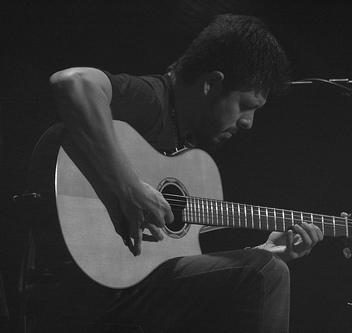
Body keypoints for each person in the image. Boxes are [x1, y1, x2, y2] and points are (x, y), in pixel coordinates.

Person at [44, 14, 324, 333]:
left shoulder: (189, 148)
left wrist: (263, 252)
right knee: (268, 273)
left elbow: (173, 257)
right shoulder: (154, 98)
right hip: (84, 292)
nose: (249, 122)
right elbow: (72, 82)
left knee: (265, 269)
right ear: (211, 83)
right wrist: (127, 187)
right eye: (246, 104)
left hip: (132, 286)